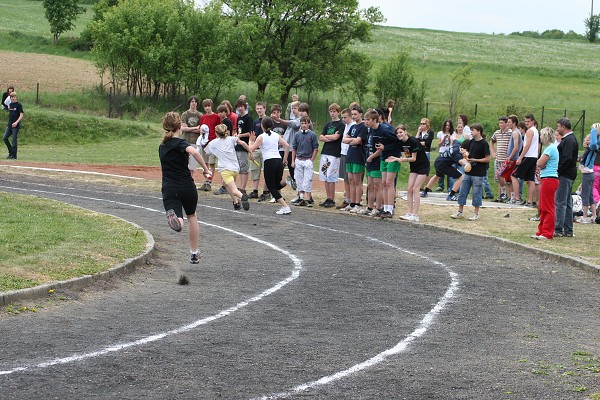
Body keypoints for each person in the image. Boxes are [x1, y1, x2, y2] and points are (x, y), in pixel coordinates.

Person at [159, 112, 211, 264]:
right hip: (187, 186)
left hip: (169, 187)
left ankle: (177, 220)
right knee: (192, 215)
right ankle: (194, 253)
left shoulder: (162, 146)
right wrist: (206, 169)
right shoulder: (180, 143)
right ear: (179, 127)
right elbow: (194, 151)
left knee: (180, 218)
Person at [386, 124, 430, 222]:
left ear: (405, 132)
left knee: (415, 189)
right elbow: (408, 156)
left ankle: (415, 215)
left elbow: (413, 158)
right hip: (414, 167)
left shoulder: (413, 141)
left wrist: (399, 159)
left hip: (423, 166)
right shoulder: (402, 143)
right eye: (397, 133)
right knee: (409, 189)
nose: (399, 134)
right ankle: (409, 213)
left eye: (401, 132)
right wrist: (396, 158)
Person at [248, 116, 292, 215]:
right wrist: (284, 159)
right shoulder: (276, 135)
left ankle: (285, 206)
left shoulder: (261, 137)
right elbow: (287, 146)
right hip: (278, 160)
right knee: (276, 185)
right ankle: (286, 181)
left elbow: (251, 149)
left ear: (262, 126)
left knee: (271, 187)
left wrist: (251, 140)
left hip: (269, 162)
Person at [204, 124, 251, 211]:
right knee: (226, 184)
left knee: (234, 190)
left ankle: (242, 197)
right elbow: (243, 143)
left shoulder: (213, 143)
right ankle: (236, 203)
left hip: (225, 170)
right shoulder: (232, 139)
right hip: (235, 168)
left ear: (216, 133)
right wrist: (250, 152)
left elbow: (206, 152)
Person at [450, 123, 490, 221]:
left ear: (478, 131)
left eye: (473, 130)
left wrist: (475, 160)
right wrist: (465, 155)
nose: (471, 132)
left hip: (479, 173)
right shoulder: (471, 142)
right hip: (468, 172)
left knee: (476, 193)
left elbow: (487, 159)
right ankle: (460, 211)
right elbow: (469, 155)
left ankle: (476, 213)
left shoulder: (484, 143)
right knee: (463, 191)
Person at [532, 127, 559, 239]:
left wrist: (540, 164)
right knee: (543, 206)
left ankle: (547, 233)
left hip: (550, 179)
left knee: (548, 207)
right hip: (546, 178)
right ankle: (541, 231)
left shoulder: (550, 149)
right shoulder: (550, 148)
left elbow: (539, 162)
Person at [554, 118, 579, 237]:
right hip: (569, 173)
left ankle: (558, 228)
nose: (557, 129)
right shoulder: (570, 139)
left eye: (558, 126)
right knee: (567, 202)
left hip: (565, 174)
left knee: (560, 202)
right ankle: (568, 229)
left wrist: (558, 170)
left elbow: (567, 158)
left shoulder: (569, 140)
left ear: (563, 127)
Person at [341, 106, 368, 212]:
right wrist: (353, 140)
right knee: (350, 180)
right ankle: (352, 203)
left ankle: (357, 203)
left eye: (355, 114)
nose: (353, 116)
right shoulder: (352, 127)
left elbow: (358, 141)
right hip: (350, 155)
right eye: (352, 114)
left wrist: (352, 140)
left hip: (358, 156)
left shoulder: (363, 127)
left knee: (357, 181)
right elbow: (344, 139)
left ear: (361, 114)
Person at [318, 103, 345, 208]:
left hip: (334, 153)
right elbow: (320, 137)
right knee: (324, 175)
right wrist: (330, 136)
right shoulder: (328, 124)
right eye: (331, 111)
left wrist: (328, 137)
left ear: (338, 112)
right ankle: (328, 197)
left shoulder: (341, 124)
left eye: (334, 111)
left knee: (331, 176)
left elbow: (336, 137)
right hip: (325, 151)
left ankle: (332, 198)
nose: (332, 113)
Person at [511, 113, 539, 207]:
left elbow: (528, 145)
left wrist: (520, 157)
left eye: (528, 121)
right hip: (534, 157)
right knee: (530, 180)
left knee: (513, 175)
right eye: (525, 121)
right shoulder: (535, 130)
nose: (526, 123)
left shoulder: (530, 131)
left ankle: (517, 198)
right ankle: (530, 201)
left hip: (528, 156)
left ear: (532, 121)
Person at [291, 115, 319, 207]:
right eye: (302, 123)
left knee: (307, 179)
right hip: (299, 159)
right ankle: (301, 198)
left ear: (308, 124)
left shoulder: (312, 135)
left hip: (307, 160)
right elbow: (294, 148)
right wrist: (293, 161)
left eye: (305, 123)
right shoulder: (297, 135)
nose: (304, 125)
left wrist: (312, 160)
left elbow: (315, 148)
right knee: (299, 180)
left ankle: (308, 199)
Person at [576, 125, 599, 224]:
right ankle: (594, 215)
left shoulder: (593, 147)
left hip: (588, 174)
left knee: (585, 195)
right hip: (590, 173)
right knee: (589, 195)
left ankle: (584, 216)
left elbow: (593, 144)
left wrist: (594, 130)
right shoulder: (591, 149)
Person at [212, 105, 235, 195]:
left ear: (226, 112)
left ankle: (224, 186)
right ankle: (225, 185)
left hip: (226, 148)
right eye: (219, 112)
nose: (220, 114)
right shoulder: (223, 121)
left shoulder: (226, 121)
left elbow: (227, 134)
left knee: (225, 167)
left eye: (222, 112)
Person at [498, 115, 523, 203]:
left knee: (500, 174)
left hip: (512, 159)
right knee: (508, 179)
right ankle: (512, 197)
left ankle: (505, 193)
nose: (507, 124)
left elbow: (516, 147)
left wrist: (509, 158)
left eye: (509, 122)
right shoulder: (515, 132)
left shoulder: (515, 132)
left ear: (514, 123)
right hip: (513, 158)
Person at [336, 108, 355, 209]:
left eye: (345, 117)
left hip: (350, 154)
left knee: (350, 179)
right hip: (343, 153)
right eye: (342, 117)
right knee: (345, 178)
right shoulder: (346, 126)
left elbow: (348, 140)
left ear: (351, 116)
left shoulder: (353, 126)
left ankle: (353, 200)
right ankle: (348, 199)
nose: (343, 119)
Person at [490, 116, 512, 202]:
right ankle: (501, 196)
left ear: (506, 123)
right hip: (498, 158)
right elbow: (492, 141)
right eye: (499, 123)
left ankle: (509, 196)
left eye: (502, 123)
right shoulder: (497, 133)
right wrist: (493, 152)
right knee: (499, 178)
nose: (500, 125)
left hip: (506, 159)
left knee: (507, 178)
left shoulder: (510, 133)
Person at [234, 98, 254, 193]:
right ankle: (240, 187)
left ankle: (243, 188)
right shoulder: (239, 118)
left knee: (243, 167)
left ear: (245, 107)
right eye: (238, 107)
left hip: (244, 145)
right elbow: (239, 130)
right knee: (238, 167)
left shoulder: (248, 118)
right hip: (238, 144)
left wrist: (240, 135)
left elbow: (250, 133)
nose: (240, 108)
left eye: (241, 106)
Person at [4, 92, 23, 159]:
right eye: (12, 97)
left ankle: (14, 155)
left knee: (14, 141)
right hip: (9, 125)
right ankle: (11, 152)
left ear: (16, 97)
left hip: (15, 126)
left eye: (14, 97)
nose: (13, 98)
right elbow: (11, 114)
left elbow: (21, 115)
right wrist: (9, 124)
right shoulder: (10, 104)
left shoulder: (19, 105)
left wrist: (16, 122)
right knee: (5, 138)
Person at [436, 119, 454, 192]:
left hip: (449, 152)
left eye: (449, 125)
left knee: (449, 169)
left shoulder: (453, 133)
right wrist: (443, 139)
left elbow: (452, 144)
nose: (447, 127)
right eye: (446, 125)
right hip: (442, 152)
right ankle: (440, 185)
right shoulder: (440, 133)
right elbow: (439, 144)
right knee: (441, 168)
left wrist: (449, 140)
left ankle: (450, 186)